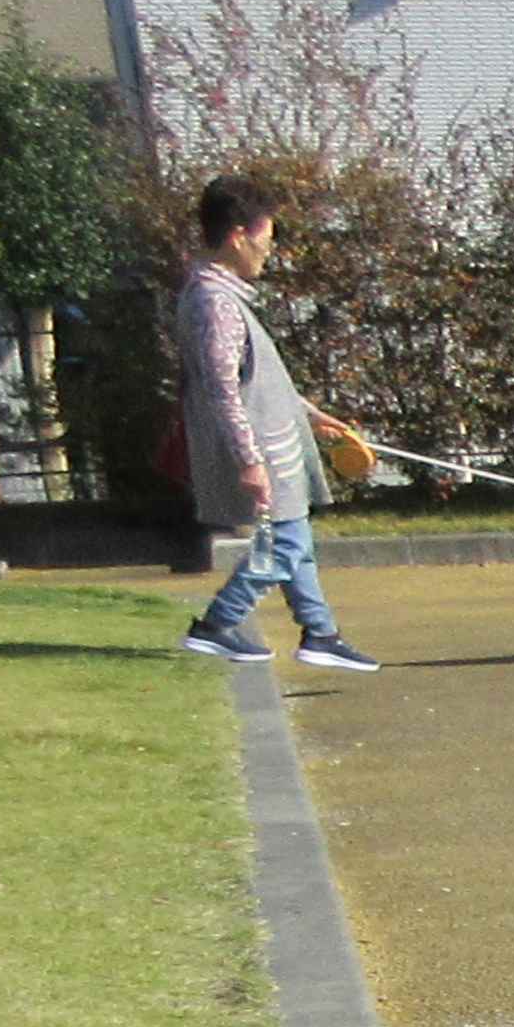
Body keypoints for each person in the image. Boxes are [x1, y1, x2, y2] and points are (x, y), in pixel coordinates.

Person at [170, 176, 378, 672]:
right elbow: (222, 388)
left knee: (295, 538)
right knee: (284, 544)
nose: (271, 247)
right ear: (239, 235)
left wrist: (310, 414)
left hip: (274, 439)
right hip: (263, 448)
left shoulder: (219, 295)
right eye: (268, 235)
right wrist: (248, 461)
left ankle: (321, 632)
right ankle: (219, 624)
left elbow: (254, 378)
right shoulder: (214, 303)